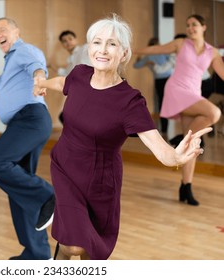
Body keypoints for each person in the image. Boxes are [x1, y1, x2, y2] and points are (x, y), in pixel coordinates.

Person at [33, 14, 211, 260]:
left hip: (100, 179)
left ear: (124, 53)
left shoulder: (130, 101)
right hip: (65, 166)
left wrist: (177, 156)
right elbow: (63, 82)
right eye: (97, 42)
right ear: (90, 47)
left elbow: (159, 149)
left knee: (91, 251)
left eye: (112, 44)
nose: (102, 50)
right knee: (73, 245)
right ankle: (62, 234)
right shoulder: (79, 74)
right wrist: (42, 81)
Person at [0, 17, 55, 260]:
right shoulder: (10, 63)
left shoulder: (24, 50)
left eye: (3, 29)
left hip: (30, 119)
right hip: (24, 123)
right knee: (19, 189)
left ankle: (49, 195)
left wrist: (39, 78)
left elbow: (37, 66)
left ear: (16, 31)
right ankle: (37, 254)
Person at [135, 14, 223, 206]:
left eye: (195, 25)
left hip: (194, 93)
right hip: (177, 90)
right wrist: (132, 50)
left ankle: (186, 187)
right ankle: (181, 142)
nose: (191, 28)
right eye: (188, 25)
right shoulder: (181, 43)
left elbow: (222, 73)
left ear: (204, 27)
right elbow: (155, 49)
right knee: (214, 113)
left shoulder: (213, 52)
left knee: (192, 145)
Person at [133, 37, 173, 135]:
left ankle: (164, 128)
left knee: (162, 102)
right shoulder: (161, 53)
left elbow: (136, 65)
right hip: (167, 79)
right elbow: (173, 60)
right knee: (165, 103)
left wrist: (140, 56)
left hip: (162, 80)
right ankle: (164, 127)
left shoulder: (149, 56)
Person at [50, 30, 91, 124]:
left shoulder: (83, 50)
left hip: (89, 91)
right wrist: (53, 67)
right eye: (64, 41)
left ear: (76, 40)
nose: (68, 42)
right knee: (66, 117)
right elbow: (67, 74)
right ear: (62, 45)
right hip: (80, 93)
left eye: (70, 39)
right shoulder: (71, 59)